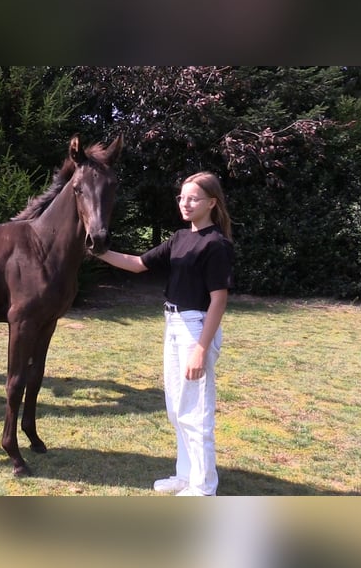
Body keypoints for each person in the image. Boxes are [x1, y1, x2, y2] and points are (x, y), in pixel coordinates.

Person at [95, 171, 234, 496]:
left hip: (196, 327)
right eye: (182, 197)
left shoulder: (216, 245)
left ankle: (203, 488)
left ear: (211, 203)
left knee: (195, 411)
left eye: (193, 198)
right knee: (176, 408)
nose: (185, 203)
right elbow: (138, 263)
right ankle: (185, 476)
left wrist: (201, 348)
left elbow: (219, 300)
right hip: (173, 325)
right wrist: (98, 252)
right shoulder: (180, 238)